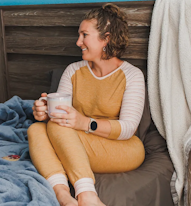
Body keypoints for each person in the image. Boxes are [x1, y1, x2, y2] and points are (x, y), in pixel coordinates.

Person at [27, 3, 145, 206]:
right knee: (37, 129)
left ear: (106, 38)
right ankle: (62, 194)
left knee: (56, 126)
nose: (78, 42)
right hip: (75, 142)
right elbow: (61, 114)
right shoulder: (73, 70)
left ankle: (86, 194)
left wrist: (84, 123)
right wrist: (45, 112)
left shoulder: (132, 75)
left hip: (122, 148)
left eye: (84, 35)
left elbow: (128, 128)